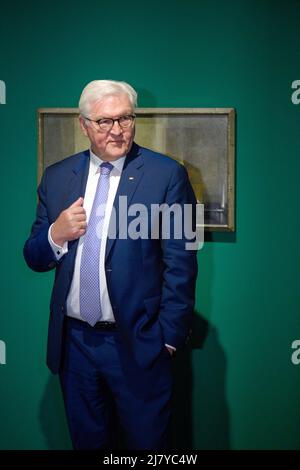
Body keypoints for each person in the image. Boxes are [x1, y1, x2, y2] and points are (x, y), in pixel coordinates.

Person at [23, 80, 198, 450]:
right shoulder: (57, 177)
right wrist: (56, 233)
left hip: (139, 343)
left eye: (125, 119)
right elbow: (34, 257)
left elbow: (182, 263)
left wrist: (167, 339)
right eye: (104, 121)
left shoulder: (168, 175)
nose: (117, 130)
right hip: (76, 346)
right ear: (84, 124)